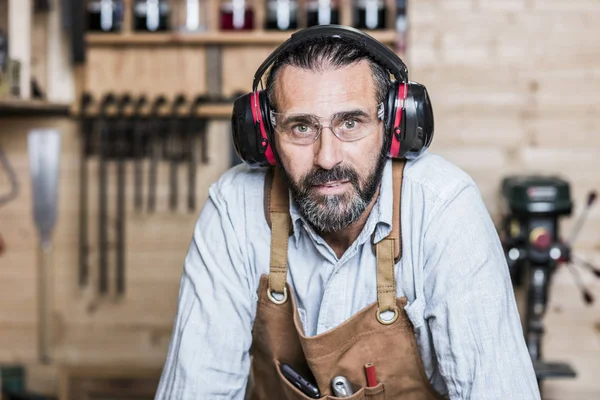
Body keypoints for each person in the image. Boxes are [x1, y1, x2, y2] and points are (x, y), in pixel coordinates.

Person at [155, 25, 540, 399]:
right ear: (266, 138)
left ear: (394, 126)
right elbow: (199, 385)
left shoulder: (445, 209)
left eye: (351, 123)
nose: (327, 157)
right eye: (301, 127)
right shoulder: (234, 209)